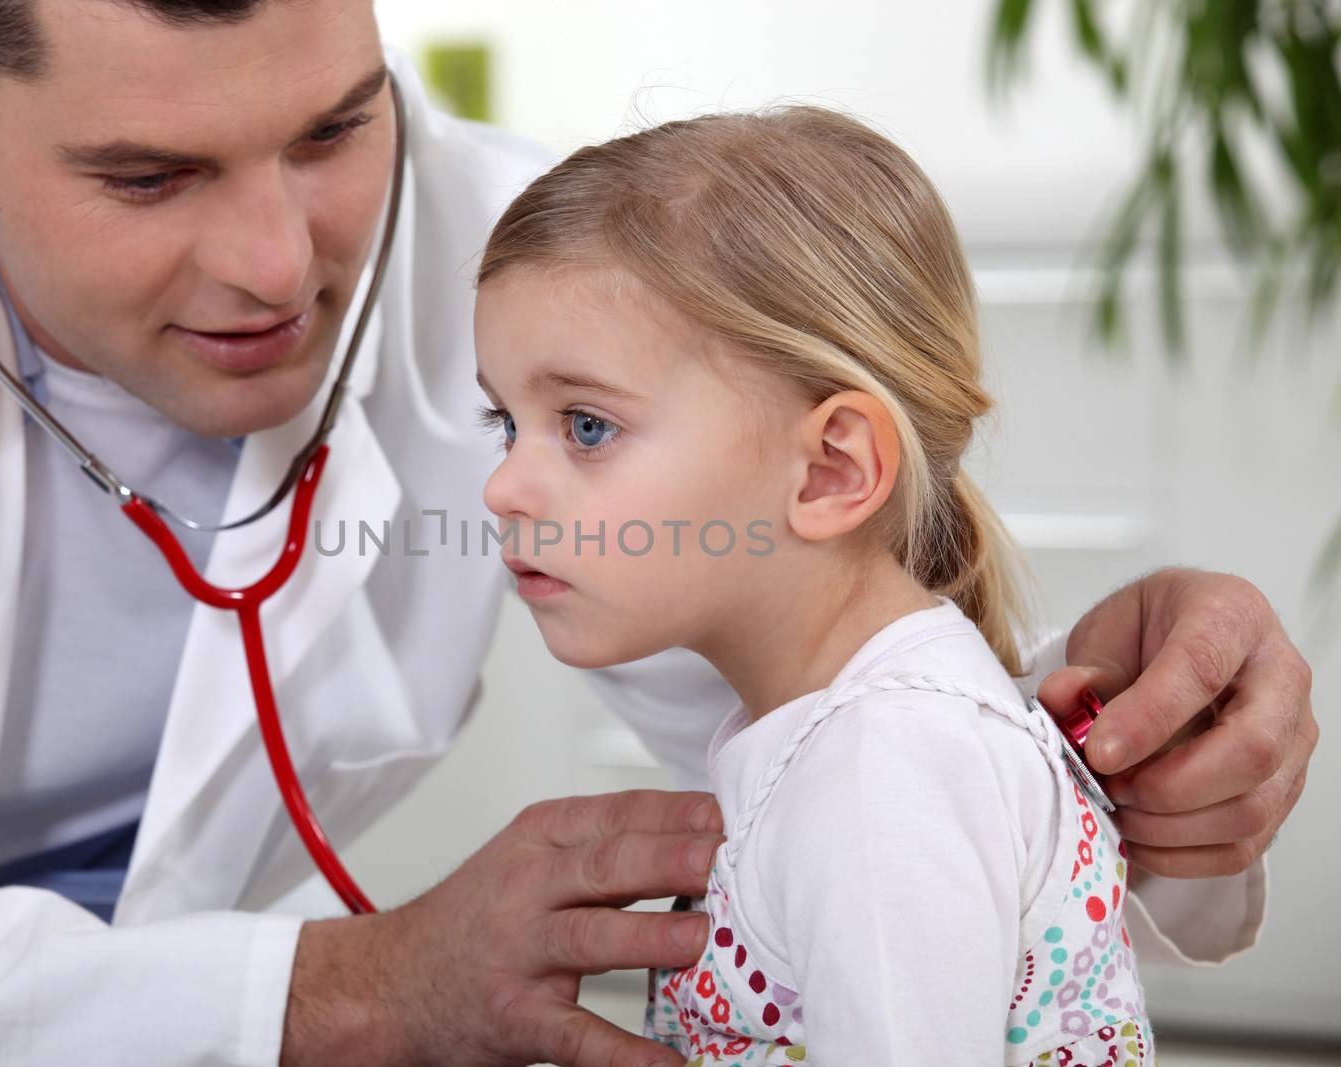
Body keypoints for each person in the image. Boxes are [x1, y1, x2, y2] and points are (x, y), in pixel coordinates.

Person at [0, 0, 1317, 1064]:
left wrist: (1107, 736)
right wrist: (356, 991)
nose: (280, 262)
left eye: (334, 131)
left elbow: (835, 691)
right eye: (150, 176)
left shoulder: (542, 279)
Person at [473, 104, 1160, 1063]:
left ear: (832, 469)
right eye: (503, 421)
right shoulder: (848, 729)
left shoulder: (887, 766)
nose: (503, 485)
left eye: (586, 424)